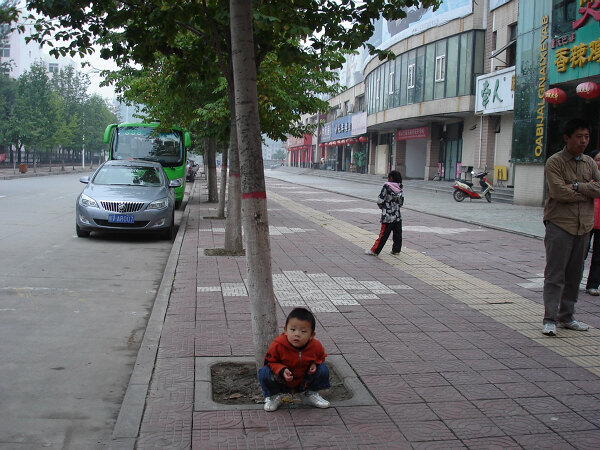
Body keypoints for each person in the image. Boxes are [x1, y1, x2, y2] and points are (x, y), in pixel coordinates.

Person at [542, 118, 600, 336]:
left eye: (586, 136)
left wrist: (576, 186)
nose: (583, 141)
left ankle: (567, 316)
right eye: (579, 136)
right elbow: (558, 192)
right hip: (559, 225)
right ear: (567, 138)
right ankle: (550, 318)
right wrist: (588, 191)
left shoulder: (590, 163)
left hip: (583, 226)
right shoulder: (555, 162)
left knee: (575, 275)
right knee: (555, 274)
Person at [258, 307, 331, 412]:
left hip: (304, 381)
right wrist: (282, 370)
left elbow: (321, 357)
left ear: (312, 335)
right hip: (282, 381)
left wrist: (315, 364)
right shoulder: (277, 345)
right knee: (264, 372)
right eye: (292, 330)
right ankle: (273, 396)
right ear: (285, 330)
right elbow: (270, 362)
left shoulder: (315, 346)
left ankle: (311, 393)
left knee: (323, 369)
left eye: (303, 331)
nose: (297, 334)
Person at [365, 170, 403, 256]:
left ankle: (375, 250)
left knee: (383, 234)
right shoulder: (400, 188)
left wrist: (384, 208)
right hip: (397, 215)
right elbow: (401, 203)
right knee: (398, 234)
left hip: (388, 216)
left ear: (391, 178)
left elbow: (380, 200)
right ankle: (396, 250)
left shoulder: (386, 187)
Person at [586, 149, 600, 296]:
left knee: (598, 256)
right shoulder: (587, 178)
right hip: (587, 221)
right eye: (598, 159)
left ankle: (593, 285)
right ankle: (572, 282)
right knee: (580, 253)